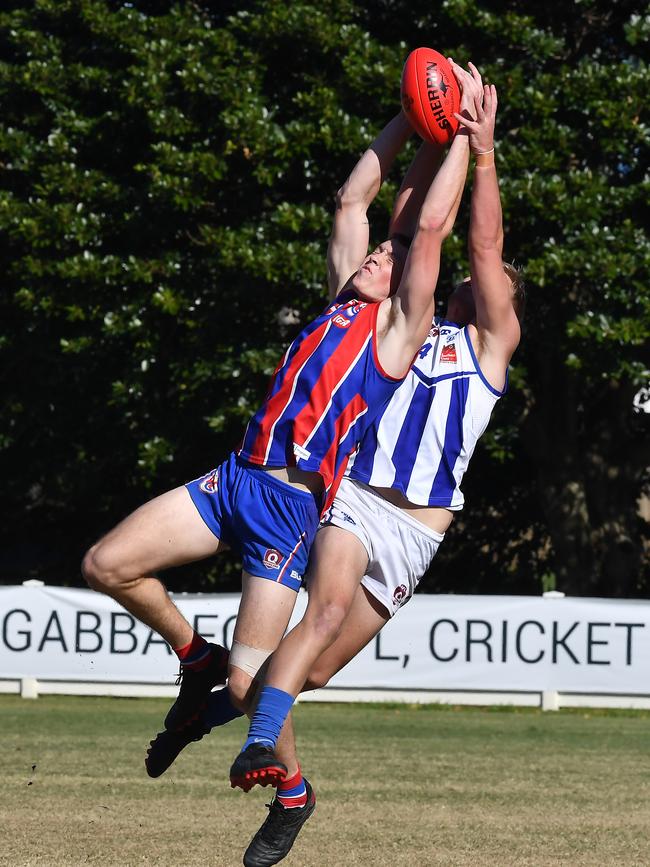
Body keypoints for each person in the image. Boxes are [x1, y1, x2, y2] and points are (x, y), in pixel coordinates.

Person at [145, 60, 517, 867]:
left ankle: (209, 714)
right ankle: (274, 769)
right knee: (310, 627)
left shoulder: (490, 345)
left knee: (296, 674)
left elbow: (480, 247)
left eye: (503, 288)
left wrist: (477, 147)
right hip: (353, 501)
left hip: (416, 532)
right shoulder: (396, 320)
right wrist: (439, 129)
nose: (494, 286)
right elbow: (416, 224)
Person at [82, 69, 469, 784]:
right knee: (107, 565)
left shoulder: (397, 335)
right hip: (234, 476)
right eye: (379, 250)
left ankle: (291, 790)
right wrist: (412, 121)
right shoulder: (337, 302)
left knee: (246, 686)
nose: (382, 252)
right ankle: (191, 654)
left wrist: (465, 141)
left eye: (390, 257)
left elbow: (431, 227)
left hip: (289, 513)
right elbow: (356, 196)